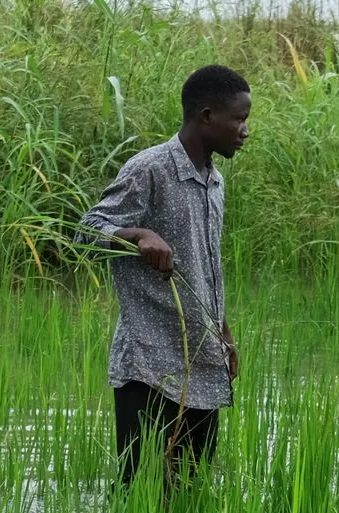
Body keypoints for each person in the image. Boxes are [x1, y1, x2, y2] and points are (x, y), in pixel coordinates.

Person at [76, 65, 250, 489]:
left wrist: (223, 333)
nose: (245, 130)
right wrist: (137, 234)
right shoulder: (149, 168)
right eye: (239, 119)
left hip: (202, 361)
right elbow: (85, 232)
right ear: (206, 116)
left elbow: (208, 266)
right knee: (138, 491)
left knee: (191, 490)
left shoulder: (215, 181)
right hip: (148, 363)